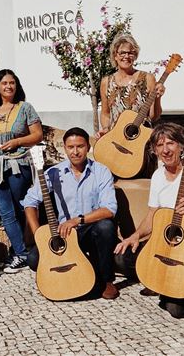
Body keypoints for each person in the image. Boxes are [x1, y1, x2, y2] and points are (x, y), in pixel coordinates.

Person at [114, 122, 184, 318]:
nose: (165, 150)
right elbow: (152, 215)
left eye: (170, 143)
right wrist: (134, 236)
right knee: (121, 257)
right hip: (164, 247)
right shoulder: (158, 176)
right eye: (159, 145)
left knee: (176, 310)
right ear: (154, 150)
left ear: (183, 145)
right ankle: (164, 282)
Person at [22, 127, 120, 299]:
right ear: (65, 148)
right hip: (64, 234)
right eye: (71, 147)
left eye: (80, 146)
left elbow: (109, 209)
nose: (75, 152)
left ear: (88, 147)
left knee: (106, 227)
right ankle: (73, 272)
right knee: (33, 259)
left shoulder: (101, 171)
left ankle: (106, 280)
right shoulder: (54, 172)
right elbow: (30, 202)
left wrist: (77, 220)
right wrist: (39, 234)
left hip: (91, 229)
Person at [0, 69, 43, 274]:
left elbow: (38, 135)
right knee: (5, 211)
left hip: (17, 163)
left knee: (19, 207)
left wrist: (17, 141)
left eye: (12, 83)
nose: (8, 86)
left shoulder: (25, 108)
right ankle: (22, 254)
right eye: (4, 83)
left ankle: (20, 251)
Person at [96, 33, 165, 140]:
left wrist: (158, 98)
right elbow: (105, 113)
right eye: (122, 53)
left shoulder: (147, 78)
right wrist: (105, 128)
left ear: (135, 55)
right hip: (117, 140)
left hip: (141, 140)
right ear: (115, 55)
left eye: (131, 53)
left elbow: (154, 116)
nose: (126, 56)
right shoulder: (106, 82)